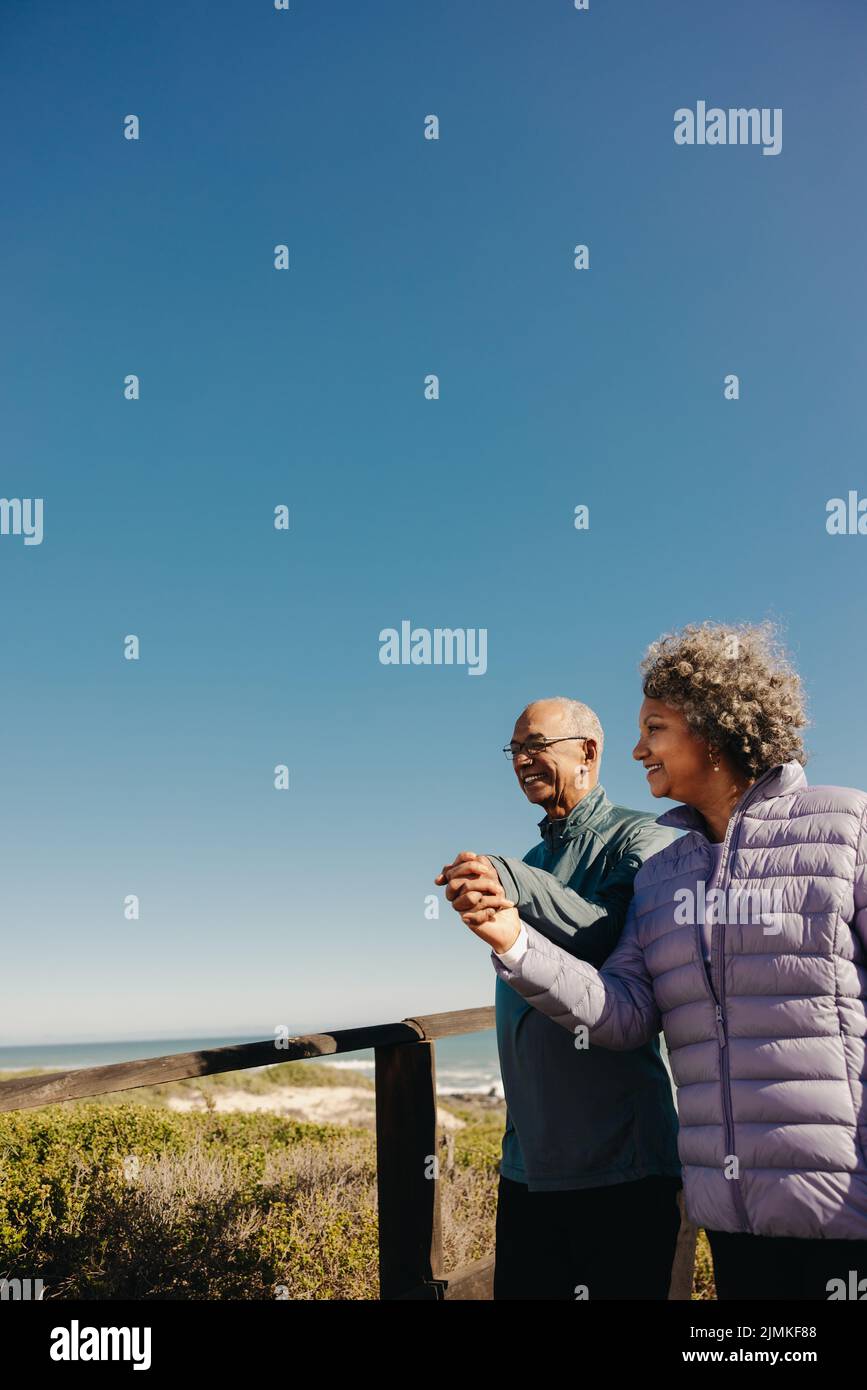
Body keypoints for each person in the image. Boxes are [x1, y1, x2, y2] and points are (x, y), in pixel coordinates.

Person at [459, 624, 867, 1301]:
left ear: (713, 728)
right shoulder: (662, 875)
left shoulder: (845, 828)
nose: (636, 748)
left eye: (655, 728)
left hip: (846, 1205)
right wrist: (514, 943)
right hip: (732, 1213)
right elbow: (621, 1013)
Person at [436, 697, 684, 1300]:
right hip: (528, 1167)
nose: (521, 759)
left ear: (588, 752)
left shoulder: (647, 836)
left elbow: (607, 935)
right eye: (515, 749)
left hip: (621, 1167)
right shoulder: (533, 859)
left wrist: (513, 882)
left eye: (536, 745)